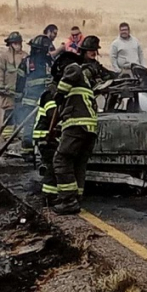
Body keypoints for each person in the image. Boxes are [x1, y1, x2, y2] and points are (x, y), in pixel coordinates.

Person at [52, 36, 114, 214]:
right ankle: (76, 197)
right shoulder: (87, 82)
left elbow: (69, 78)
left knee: (61, 159)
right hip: (90, 128)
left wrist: (59, 93)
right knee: (78, 162)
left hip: (77, 125)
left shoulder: (73, 67)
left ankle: (68, 200)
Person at [33, 51, 81, 210]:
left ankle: (58, 197)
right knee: (54, 166)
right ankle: (50, 198)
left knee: (57, 165)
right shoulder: (50, 95)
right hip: (46, 136)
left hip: (54, 136)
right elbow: (54, 115)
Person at [15, 35, 53, 160]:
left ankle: (38, 151)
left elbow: (20, 82)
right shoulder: (30, 62)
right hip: (35, 100)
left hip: (43, 101)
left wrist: (18, 98)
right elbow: (20, 81)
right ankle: (27, 151)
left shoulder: (49, 62)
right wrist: (18, 99)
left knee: (38, 126)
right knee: (32, 126)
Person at [0, 31, 28, 140]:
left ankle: (19, 135)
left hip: (22, 93)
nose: (18, 45)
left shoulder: (25, 56)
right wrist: (0, 86)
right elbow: (0, 72)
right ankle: (7, 137)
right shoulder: (4, 57)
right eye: (15, 43)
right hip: (8, 92)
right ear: (10, 44)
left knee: (21, 114)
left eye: (19, 43)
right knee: (9, 114)